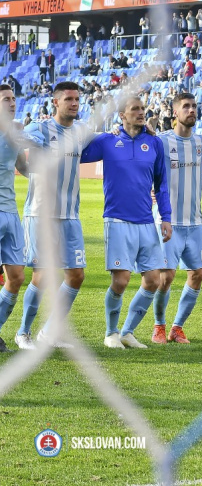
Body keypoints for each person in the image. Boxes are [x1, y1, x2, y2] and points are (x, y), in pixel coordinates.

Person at [80, 96, 172, 349]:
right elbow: (76, 153)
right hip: (117, 219)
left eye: (142, 109)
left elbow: (161, 184)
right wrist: (94, 131)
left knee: (153, 280)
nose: (141, 113)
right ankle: (111, 333)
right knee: (120, 281)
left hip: (145, 221)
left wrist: (166, 218)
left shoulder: (154, 142)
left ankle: (128, 332)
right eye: (135, 109)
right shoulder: (108, 141)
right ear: (121, 115)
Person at [17, 82, 93, 349]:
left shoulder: (81, 132)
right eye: (69, 99)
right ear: (56, 102)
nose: (74, 104)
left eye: (77, 99)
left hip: (70, 215)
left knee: (76, 276)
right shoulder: (40, 128)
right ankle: (23, 333)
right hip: (41, 213)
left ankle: (49, 333)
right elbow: (20, 139)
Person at [150, 93, 202, 344]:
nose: (191, 110)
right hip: (169, 221)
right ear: (175, 112)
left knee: (197, 274)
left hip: (195, 222)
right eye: (186, 106)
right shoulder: (162, 141)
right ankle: (159, 326)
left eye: (194, 106)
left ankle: (177, 327)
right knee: (165, 277)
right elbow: (145, 167)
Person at [0, 85, 29, 352]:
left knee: (17, 276)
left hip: (11, 213)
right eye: (6, 99)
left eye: (13, 99)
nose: (12, 103)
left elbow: (23, 167)